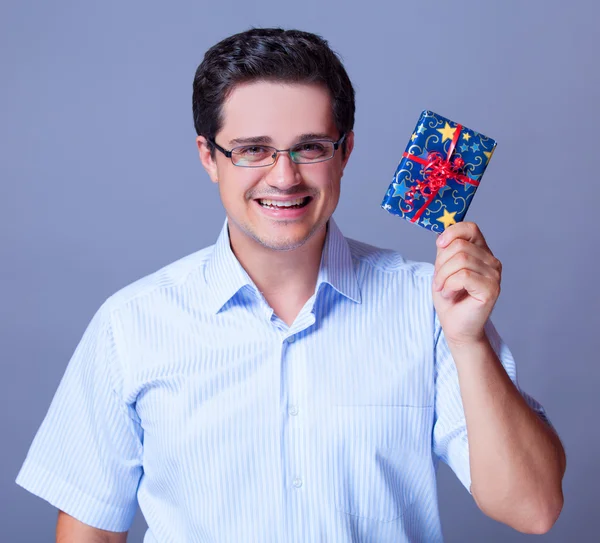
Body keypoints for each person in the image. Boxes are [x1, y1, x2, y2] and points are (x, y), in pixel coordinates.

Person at [16, 28, 566, 543]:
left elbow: (533, 507)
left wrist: (468, 340)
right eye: (253, 148)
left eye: (310, 147)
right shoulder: (130, 325)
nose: (284, 176)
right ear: (210, 157)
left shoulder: (431, 308)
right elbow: (90, 530)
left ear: (345, 153)